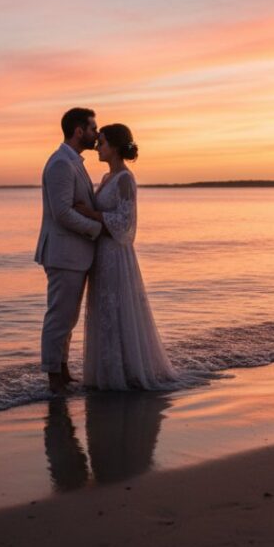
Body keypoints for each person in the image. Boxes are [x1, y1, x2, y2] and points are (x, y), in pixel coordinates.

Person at [74, 124, 178, 390]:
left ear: (116, 147)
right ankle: (109, 372)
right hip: (101, 254)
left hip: (116, 255)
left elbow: (125, 223)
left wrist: (90, 213)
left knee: (117, 308)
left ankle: (126, 373)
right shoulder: (107, 178)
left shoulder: (125, 179)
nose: (98, 146)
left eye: (102, 142)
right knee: (104, 311)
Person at [35, 107, 101, 394]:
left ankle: (62, 371)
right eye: (92, 128)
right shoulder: (61, 163)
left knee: (68, 318)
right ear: (78, 131)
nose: (96, 134)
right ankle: (53, 378)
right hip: (64, 254)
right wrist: (96, 229)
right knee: (59, 317)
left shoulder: (73, 161)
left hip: (74, 254)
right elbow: (62, 213)